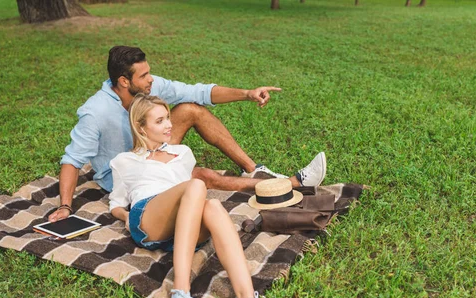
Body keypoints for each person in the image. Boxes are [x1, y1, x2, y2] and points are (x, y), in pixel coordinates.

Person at [109, 94, 323, 298]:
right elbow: (116, 201)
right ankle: (181, 293)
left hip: (183, 227)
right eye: (159, 121)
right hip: (148, 219)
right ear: (140, 127)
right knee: (197, 186)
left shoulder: (182, 152)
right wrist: (124, 216)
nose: (169, 125)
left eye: (168, 117)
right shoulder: (124, 161)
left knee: (212, 207)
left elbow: (190, 199)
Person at [49, 45, 324, 222]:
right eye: (144, 76)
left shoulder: (147, 89)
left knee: (191, 108)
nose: (151, 79)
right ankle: (291, 183)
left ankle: (254, 170)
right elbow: (72, 160)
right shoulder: (94, 112)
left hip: (151, 149)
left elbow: (199, 92)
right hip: (129, 171)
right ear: (123, 81)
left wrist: (247, 94)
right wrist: (65, 206)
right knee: (200, 175)